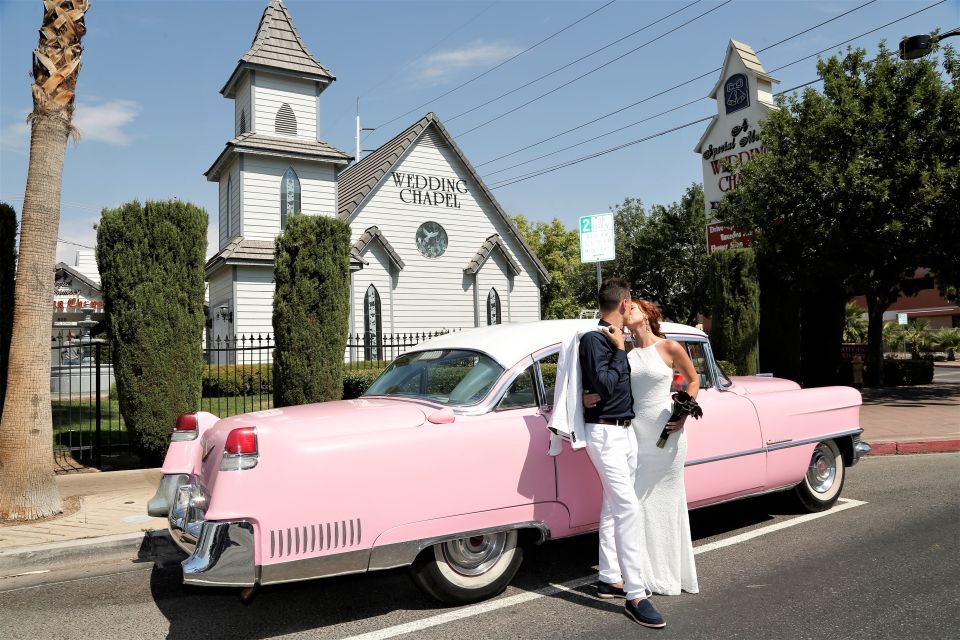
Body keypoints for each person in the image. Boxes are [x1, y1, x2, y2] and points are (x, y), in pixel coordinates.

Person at [586, 299, 700, 596]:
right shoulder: (624, 349)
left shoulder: (669, 347)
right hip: (634, 436)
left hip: (667, 432)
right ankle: (640, 571)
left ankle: (665, 570)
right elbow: (609, 384)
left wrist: (684, 412)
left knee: (665, 499)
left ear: (648, 316)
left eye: (634, 308)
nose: (628, 311)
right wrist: (589, 398)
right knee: (634, 503)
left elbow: (693, 380)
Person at [579, 279, 666, 629]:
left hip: (624, 432)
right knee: (628, 508)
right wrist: (617, 349)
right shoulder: (594, 339)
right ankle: (634, 595)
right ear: (625, 303)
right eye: (632, 304)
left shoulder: (618, 341)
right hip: (604, 432)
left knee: (612, 508)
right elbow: (603, 384)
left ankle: (609, 577)